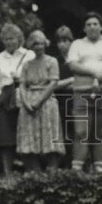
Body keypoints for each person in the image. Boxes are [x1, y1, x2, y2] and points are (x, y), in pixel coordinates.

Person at [66, 12, 102, 174]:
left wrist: (101, 77)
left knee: (101, 131)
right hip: (82, 92)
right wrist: (94, 73)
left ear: (101, 27)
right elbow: (73, 65)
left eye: (95, 24)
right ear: (84, 28)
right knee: (80, 131)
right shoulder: (77, 44)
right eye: (88, 24)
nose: (92, 27)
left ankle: (99, 170)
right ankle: (77, 171)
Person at [17, 30, 65, 171]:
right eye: (35, 43)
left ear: (46, 43)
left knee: (50, 134)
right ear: (31, 45)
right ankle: (33, 169)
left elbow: (53, 83)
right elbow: (22, 84)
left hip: (46, 101)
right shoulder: (26, 64)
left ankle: (52, 167)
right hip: (29, 103)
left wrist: (38, 102)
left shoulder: (52, 61)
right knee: (29, 135)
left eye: (41, 43)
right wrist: (26, 103)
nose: (38, 46)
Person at [0, 23, 35, 178]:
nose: (9, 42)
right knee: (6, 137)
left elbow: (36, 75)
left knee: (25, 134)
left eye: (12, 38)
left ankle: (29, 171)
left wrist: (22, 78)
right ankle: (7, 173)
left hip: (24, 96)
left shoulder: (29, 55)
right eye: (6, 39)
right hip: (5, 97)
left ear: (19, 39)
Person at [52, 26, 75, 164]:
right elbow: (53, 85)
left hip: (76, 100)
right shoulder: (55, 61)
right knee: (63, 133)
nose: (63, 44)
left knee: (78, 133)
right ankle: (64, 164)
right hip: (60, 101)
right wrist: (71, 81)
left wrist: (65, 84)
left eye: (66, 40)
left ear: (72, 41)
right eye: (60, 41)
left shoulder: (77, 60)